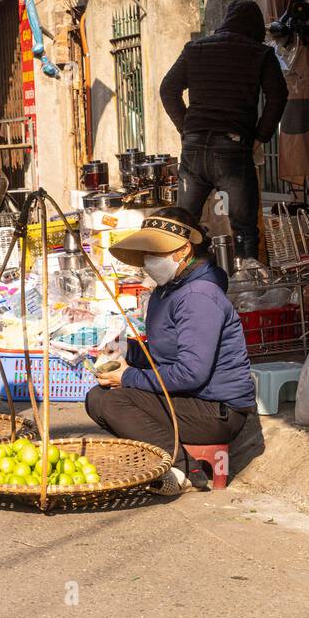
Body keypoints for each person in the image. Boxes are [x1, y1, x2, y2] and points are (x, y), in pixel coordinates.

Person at [85, 207, 256, 496]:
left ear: (183, 250)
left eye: (157, 254)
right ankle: (166, 458)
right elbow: (166, 352)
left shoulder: (199, 296)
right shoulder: (167, 292)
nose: (150, 261)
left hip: (216, 412)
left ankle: (183, 469)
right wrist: (129, 350)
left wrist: (128, 378)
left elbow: (190, 373)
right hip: (187, 399)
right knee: (98, 397)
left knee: (114, 402)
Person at [159, 0, 288, 262]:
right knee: (244, 230)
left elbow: (168, 89)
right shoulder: (260, 54)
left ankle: (179, 283)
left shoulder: (194, 49)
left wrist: (186, 129)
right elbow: (278, 97)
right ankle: (249, 290)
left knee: (183, 226)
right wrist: (260, 138)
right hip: (233, 147)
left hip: (194, 149)